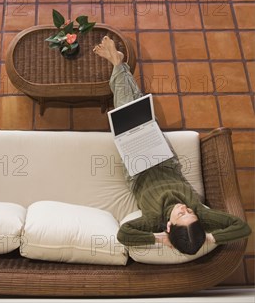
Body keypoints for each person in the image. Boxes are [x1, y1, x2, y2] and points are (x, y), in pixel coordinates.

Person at [93, 36, 251, 255]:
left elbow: (124, 234)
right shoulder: (201, 214)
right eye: (189, 213)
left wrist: (158, 239)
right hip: (164, 159)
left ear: (168, 226)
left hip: (137, 168)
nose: (184, 209)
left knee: (127, 113)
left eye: (180, 215)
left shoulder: (153, 220)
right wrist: (209, 237)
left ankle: (118, 64)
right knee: (140, 110)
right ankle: (118, 64)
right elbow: (242, 227)